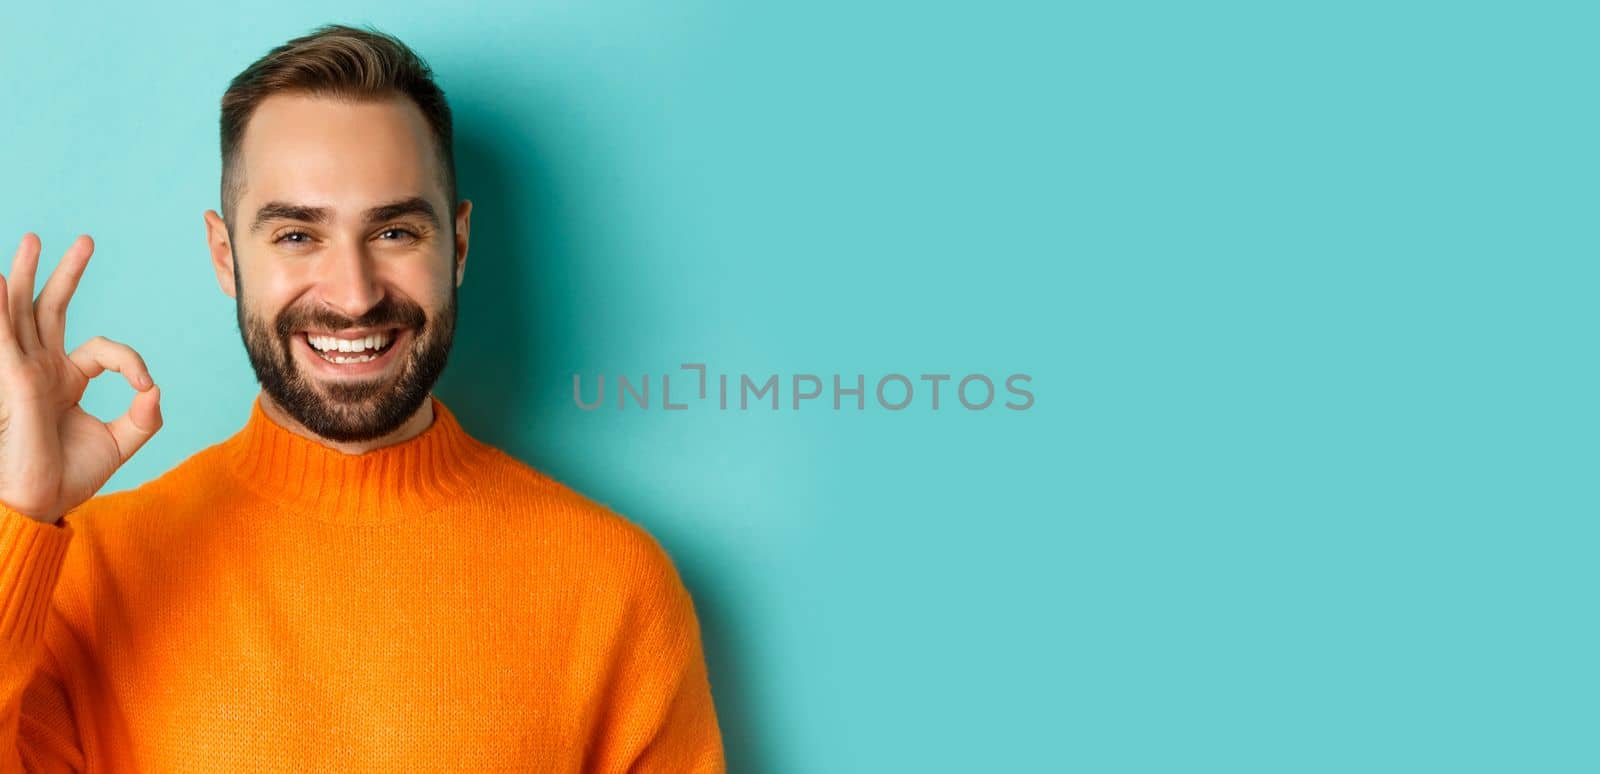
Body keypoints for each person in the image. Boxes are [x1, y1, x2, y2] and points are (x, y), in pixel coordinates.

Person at [0, 23, 725, 772]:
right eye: (295, 236)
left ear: (460, 246)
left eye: (395, 231)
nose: (353, 296)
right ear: (225, 256)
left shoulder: (614, 588)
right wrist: (17, 520)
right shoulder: (81, 579)